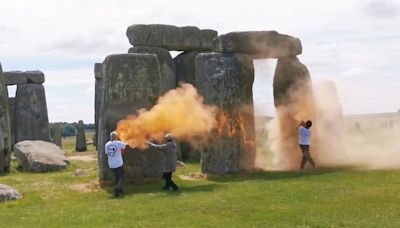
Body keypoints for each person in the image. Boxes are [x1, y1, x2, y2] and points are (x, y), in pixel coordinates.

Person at [105, 131, 127, 197]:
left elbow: (107, 153)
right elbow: (125, 146)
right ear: (115, 137)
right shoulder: (118, 143)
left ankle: (119, 191)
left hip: (111, 164)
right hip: (119, 164)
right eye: (117, 136)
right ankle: (117, 188)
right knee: (122, 177)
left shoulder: (107, 144)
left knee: (117, 178)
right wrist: (126, 141)